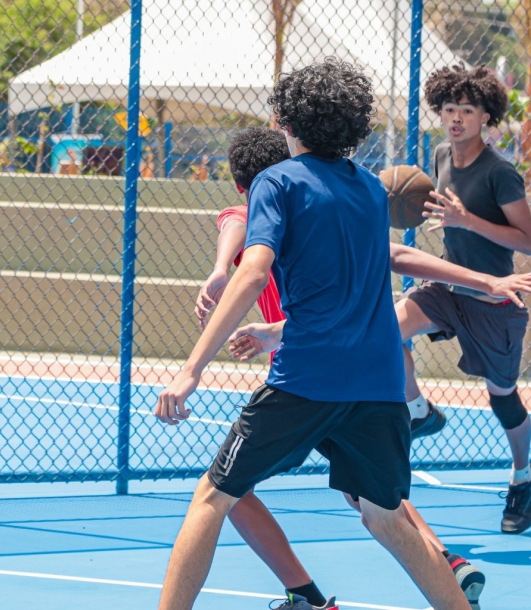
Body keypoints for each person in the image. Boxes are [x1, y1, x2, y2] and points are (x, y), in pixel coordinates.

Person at [153, 59, 473, 610]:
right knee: (387, 517)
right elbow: (384, 264)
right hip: (377, 386)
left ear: (287, 121)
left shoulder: (277, 182)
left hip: (305, 381)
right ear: (354, 125)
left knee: (212, 497)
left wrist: (190, 369)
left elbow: (253, 272)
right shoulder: (373, 192)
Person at [195, 126, 531, 609]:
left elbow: (238, 229)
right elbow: (391, 254)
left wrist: (220, 281)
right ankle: (445, 563)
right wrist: (484, 279)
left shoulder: (268, 199)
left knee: (223, 490)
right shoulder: (325, 206)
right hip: (355, 370)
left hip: (304, 375)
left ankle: (307, 596)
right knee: (375, 502)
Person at [399, 64, 531, 535]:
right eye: (449, 109)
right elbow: (445, 215)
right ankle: (419, 410)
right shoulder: (441, 154)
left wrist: (468, 223)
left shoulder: (500, 173)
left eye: (467, 110)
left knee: (502, 398)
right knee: (382, 329)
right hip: (448, 287)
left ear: (486, 116)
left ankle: (524, 476)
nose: (456, 118)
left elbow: (527, 242)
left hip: (492, 298)